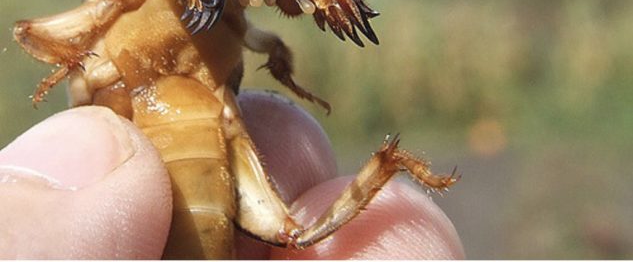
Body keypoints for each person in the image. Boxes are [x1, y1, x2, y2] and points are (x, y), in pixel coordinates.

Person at [0, 91, 464, 259]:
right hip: (149, 143)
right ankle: (387, 165)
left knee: (295, 233)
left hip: (205, 128)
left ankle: (388, 164)